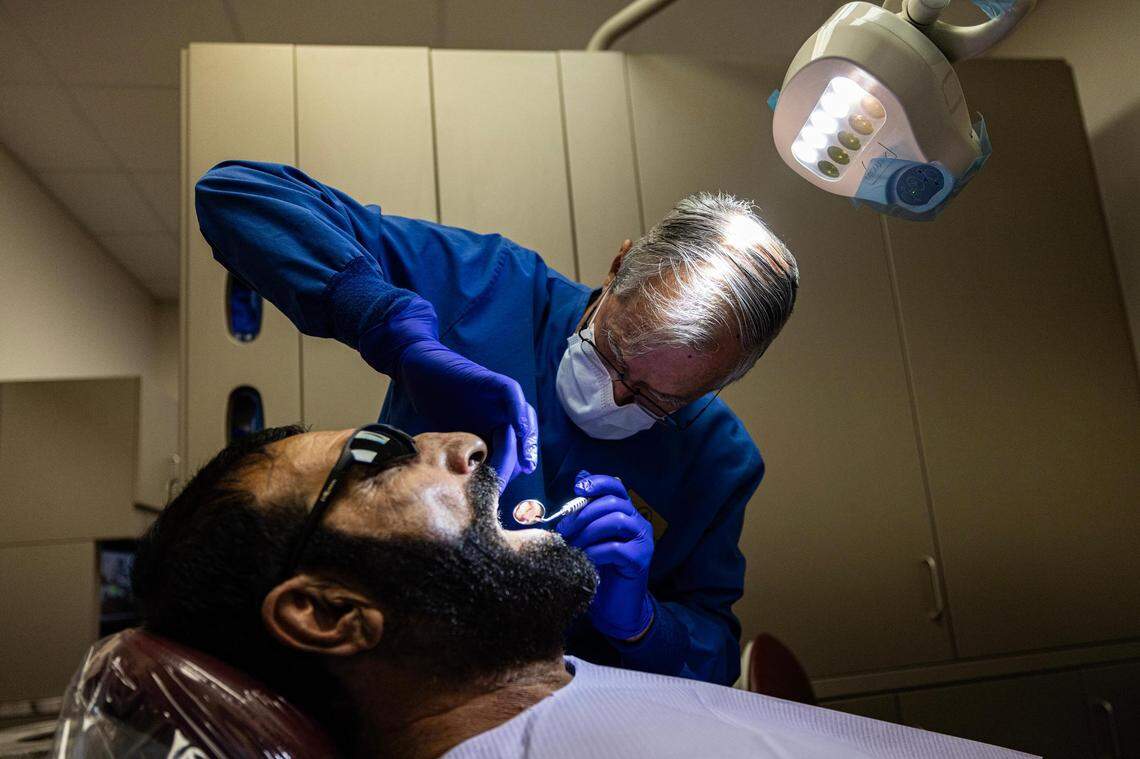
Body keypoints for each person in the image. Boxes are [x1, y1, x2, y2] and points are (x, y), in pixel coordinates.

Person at [195, 163, 800, 684]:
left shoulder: (717, 460)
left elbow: (714, 652)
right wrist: (389, 327)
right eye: (612, 352)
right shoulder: (487, 288)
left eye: (655, 397)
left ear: (720, 383)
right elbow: (237, 194)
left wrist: (642, 621)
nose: (614, 396)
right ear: (617, 269)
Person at [131, 425, 1024, 759]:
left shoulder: (554, 687)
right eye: (377, 452)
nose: (465, 440)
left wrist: (636, 619)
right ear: (328, 611)